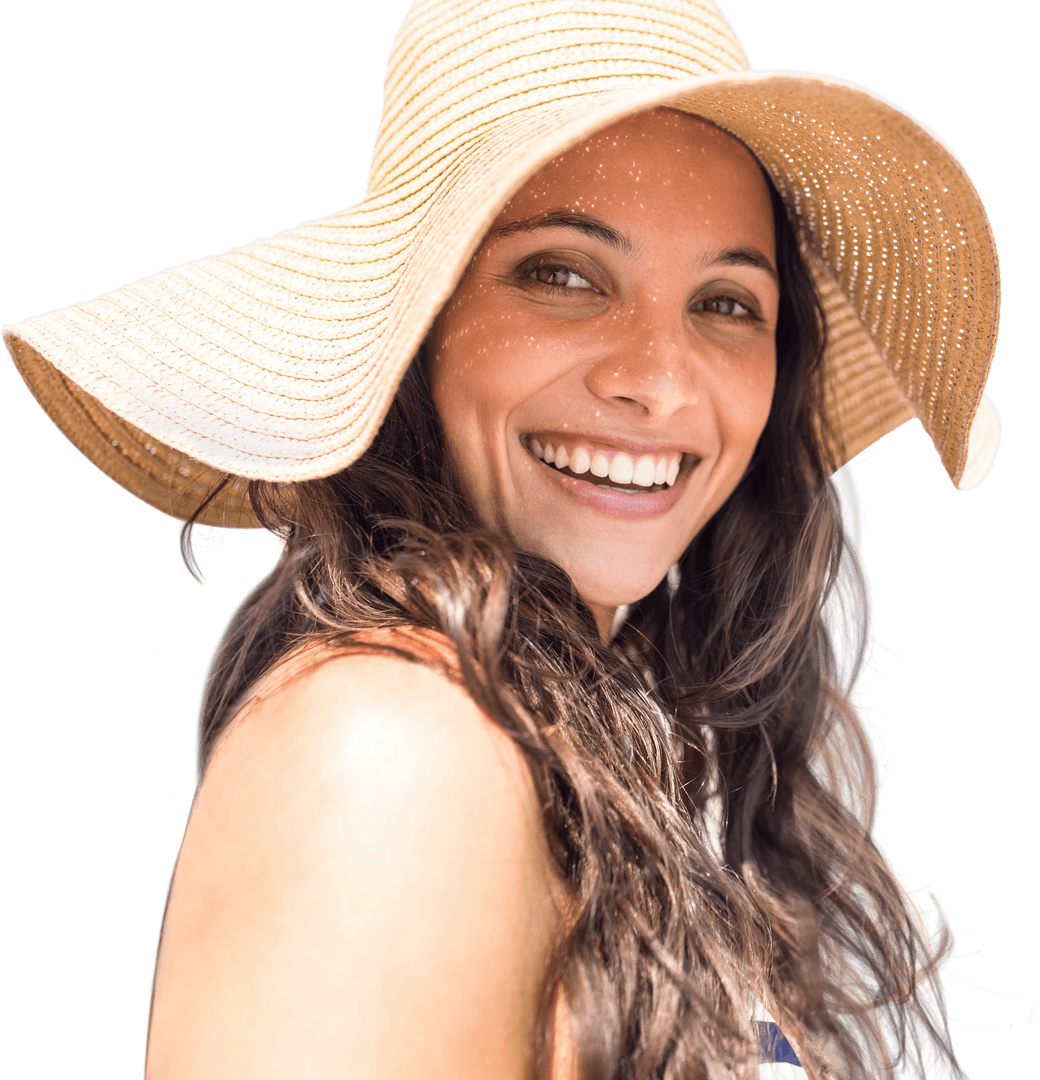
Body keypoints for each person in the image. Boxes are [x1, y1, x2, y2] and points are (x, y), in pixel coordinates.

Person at [2, 1, 1001, 1077]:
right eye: (563, 275)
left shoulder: (656, 752)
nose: (657, 383)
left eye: (724, 302)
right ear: (416, 330)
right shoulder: (387, 749)